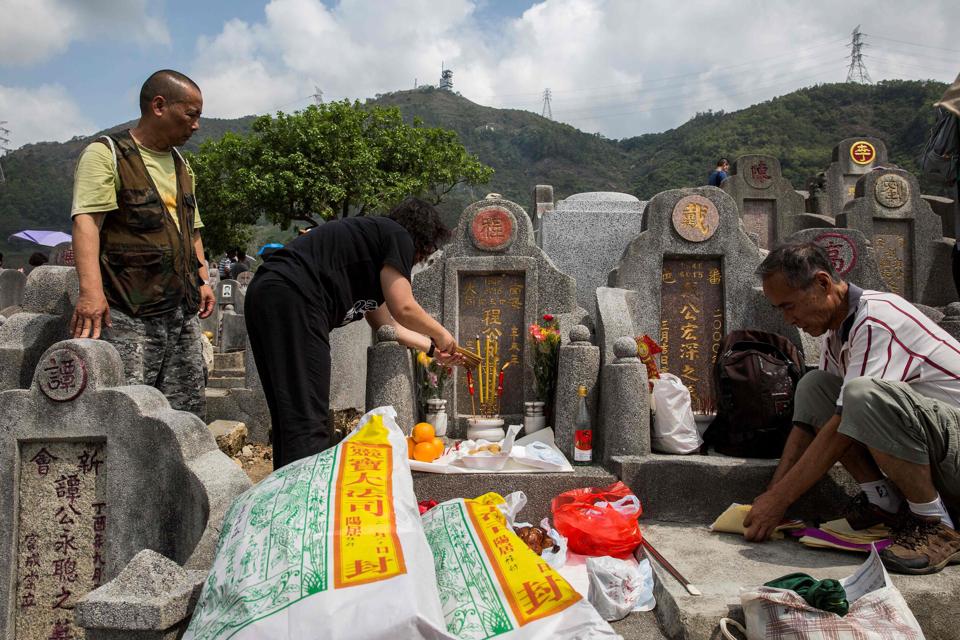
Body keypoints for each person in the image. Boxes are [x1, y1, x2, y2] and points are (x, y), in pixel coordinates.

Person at [744, 242, 960, 574]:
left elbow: (845, 420)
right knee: (815, 387)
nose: (789, 319)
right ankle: (885, 504)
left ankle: (936, 525)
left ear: (822, 284)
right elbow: (809, 424)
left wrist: (780, 501)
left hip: (955, 445)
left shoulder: (876, 318)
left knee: (861, 395)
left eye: (790, 307)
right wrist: (770, 496)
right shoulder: (836, 333)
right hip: (938, 444)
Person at [245, 197, 461, 469]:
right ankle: (308, 502)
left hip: (267, 294)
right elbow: (404, 306)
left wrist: (432, 348)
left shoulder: (371, 251)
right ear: (422, 237)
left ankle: (287, 493)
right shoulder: (398, 235)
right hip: (294, 297)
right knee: (309, 420)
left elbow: (388, 326)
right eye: (424, 251)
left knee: (291, 413)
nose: (419, 259)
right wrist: (442, 333)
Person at [70, 69, 215, 418]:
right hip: (129, 308)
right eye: (191, 114)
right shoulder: (107, 153)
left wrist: (204, 280)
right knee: (131, 408)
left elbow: (190, 227)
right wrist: (91, 292)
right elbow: (87, 220)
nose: (195, 125)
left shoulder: (181, 164)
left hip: (181, 307)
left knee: (185, 410)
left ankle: (175, 475)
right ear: (159, 105)